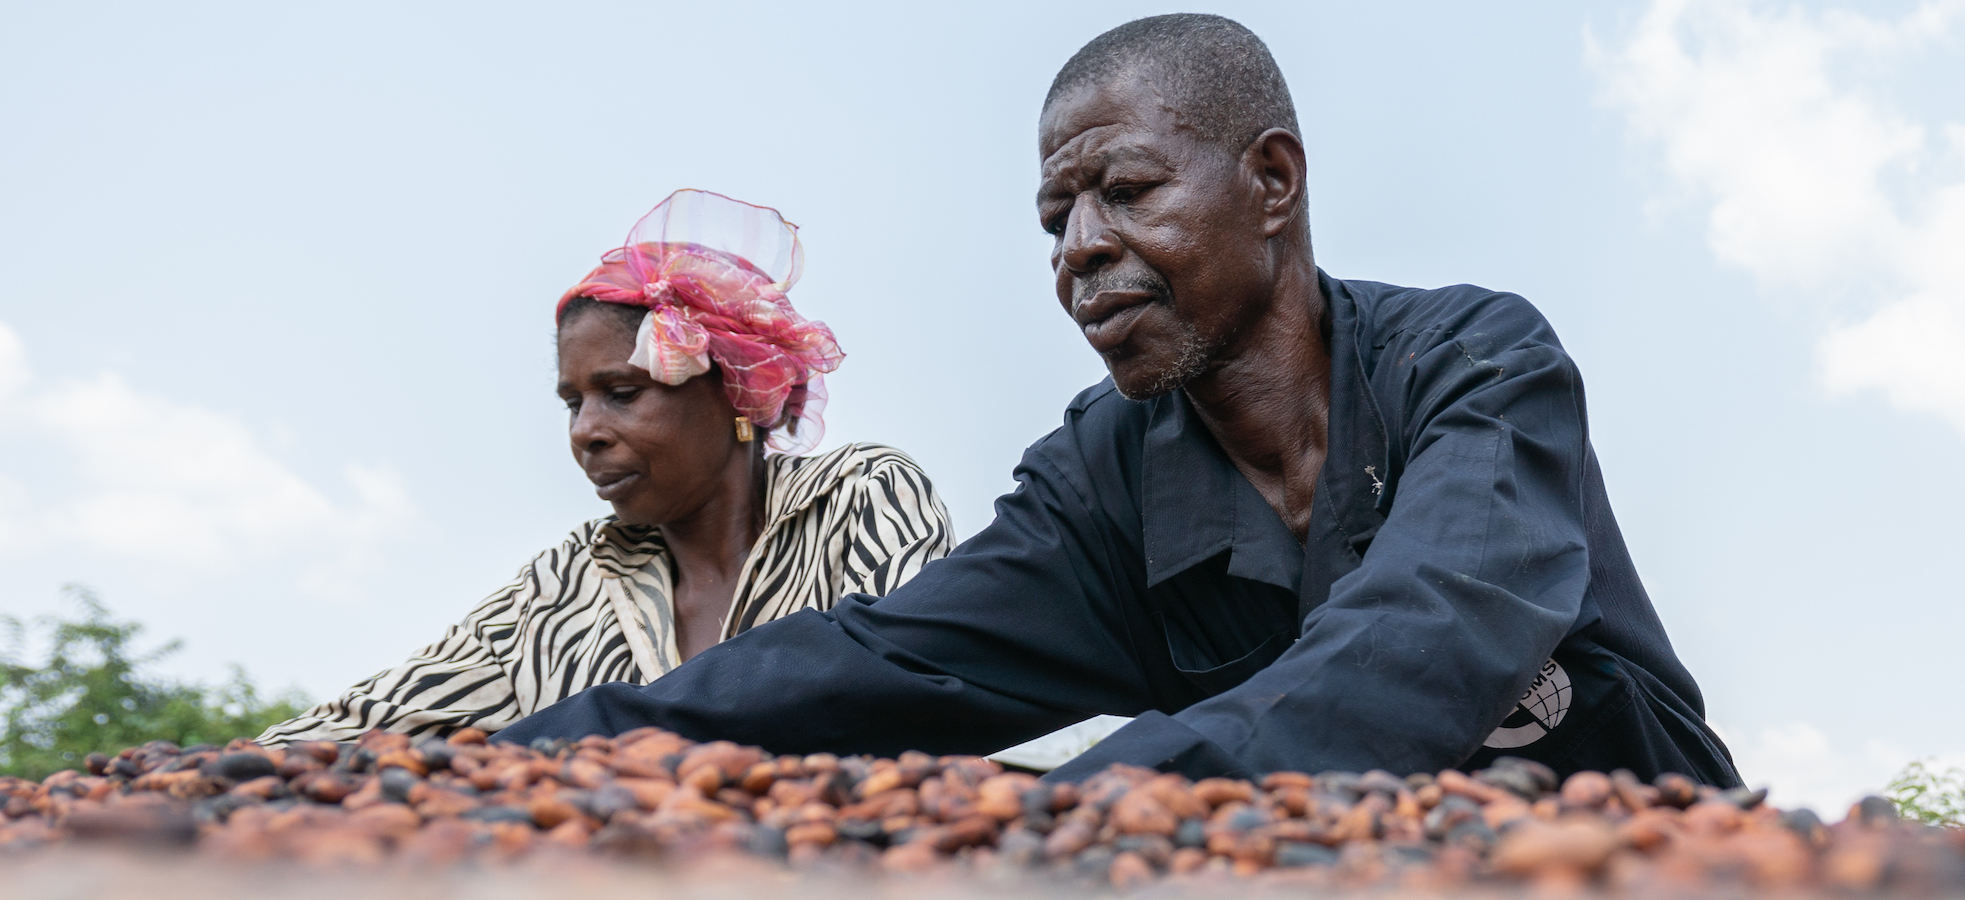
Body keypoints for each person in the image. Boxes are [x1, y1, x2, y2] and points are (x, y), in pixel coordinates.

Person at [495, 16, 1741, 788]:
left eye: (1128, 190)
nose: (1079, 248)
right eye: (1056, 219)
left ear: (1271, 180)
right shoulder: (1103, 478)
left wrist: (1111, 800)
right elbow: (882, 661)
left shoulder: (1474, 360)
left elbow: (1429, 625)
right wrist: (534, 755)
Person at [258, 190, 955, 744]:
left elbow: (907, 680)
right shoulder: (557, 591)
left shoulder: (859, 494)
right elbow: (363, 729)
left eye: (622, 394)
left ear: (732, 388)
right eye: (572, 404)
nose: (586, 433)